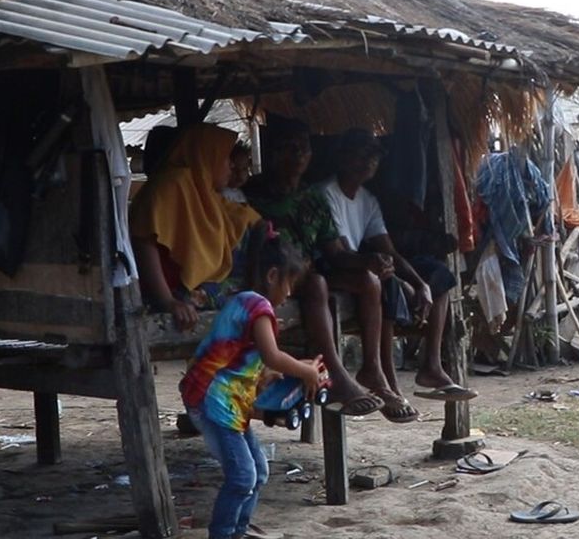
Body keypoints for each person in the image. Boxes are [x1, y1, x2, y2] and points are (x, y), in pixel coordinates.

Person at [243, 120, 399, 419]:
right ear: (273, 154)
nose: (300, 155)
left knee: (370, 282)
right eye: (291, 148)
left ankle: (372, 370)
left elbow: (335, 252)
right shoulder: (254, 193)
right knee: (316, 284)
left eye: (305, 148)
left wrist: (367, 261)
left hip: (310, 272)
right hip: (271, 278)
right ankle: (337, 376)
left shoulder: (311, 197)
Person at [180, 226, 323, 539]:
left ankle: (239, 530)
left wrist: (274, 376)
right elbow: (272, 356)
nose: (289, 294)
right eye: (289, 284)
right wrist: (305, 370)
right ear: (273, 275)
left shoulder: (245, 303)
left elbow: (254, 362)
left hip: (229, 403)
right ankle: (222, 533)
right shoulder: (258, 306)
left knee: (258, 471)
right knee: (243, 475)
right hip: (214, 399)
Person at [322, 128, 477, 407]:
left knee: (438, 274)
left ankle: (430, 366)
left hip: (362, 263)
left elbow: (388, 249)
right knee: (386, 281)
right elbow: (339, 255)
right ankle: (385, 378)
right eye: (361, 156)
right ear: (344, 158)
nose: (367, 163)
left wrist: (420, 284)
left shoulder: (367, 200)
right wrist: (381, 267)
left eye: (373, 158)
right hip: (339, 267)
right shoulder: (327, 194)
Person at [130, 124, 260, 331]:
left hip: (193, 287)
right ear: (207, 155)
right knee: (253, 301)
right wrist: (168, 301)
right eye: (227, 160)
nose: (231, 167)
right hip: (173, 292)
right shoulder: (173, 184)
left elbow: (243, 218)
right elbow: (143, 241)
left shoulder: (202, 189)